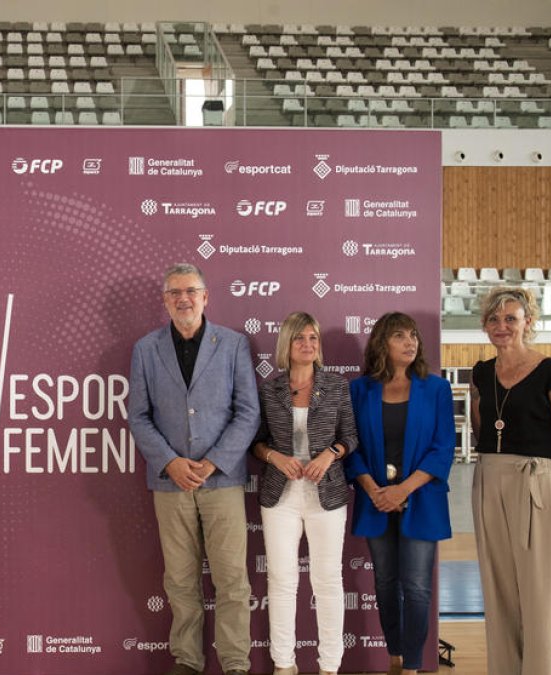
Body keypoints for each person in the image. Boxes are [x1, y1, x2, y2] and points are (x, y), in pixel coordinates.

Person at [128, 263, 260, 675]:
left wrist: (213, 461)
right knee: (180, 580)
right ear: (164, 300)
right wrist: (170, 461)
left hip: (222, 479)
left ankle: (235, 662)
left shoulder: (234, 344)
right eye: (174, 292)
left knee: (232, 581)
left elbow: (248, 412)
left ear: (206, 297)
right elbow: (138, 416)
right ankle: (187, 659)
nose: (183, 298)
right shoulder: (146, 349)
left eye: (190, 291)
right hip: (171, 483)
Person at [470, 287, 551, 675]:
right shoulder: (481, 374)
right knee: (499, 590)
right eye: (494, 320)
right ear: (485, 325)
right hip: (489, 479)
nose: (501, 327)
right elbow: (480, 428)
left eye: (511, 319)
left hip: (540, 482)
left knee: (539, 595)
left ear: (528, 323)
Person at [346, 312, 455, 675]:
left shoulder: (436, 388)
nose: (411, 342)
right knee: (385, 582)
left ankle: (412, 664)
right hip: (375, 499)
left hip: (421, 501)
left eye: (413, 336)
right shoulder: (359, 390)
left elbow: (443, 448)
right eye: (399, 336)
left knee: (418, 587)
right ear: (382, 343)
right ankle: (394, 655)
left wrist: (403, 490)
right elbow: (351, 445)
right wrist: (376, 491)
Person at [249, 311, 356, 675]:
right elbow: (256, 443)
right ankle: (284, 665)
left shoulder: (338, 386)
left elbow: (350, 437)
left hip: (326, 496)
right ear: (287, 345)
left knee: (327, 580)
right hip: (280, 499)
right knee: (281, 580)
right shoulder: (269, 390)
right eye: (300, 338)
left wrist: (330, 454)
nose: (308, 344)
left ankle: (330, 666)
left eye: (313, 338)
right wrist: (274, 456)